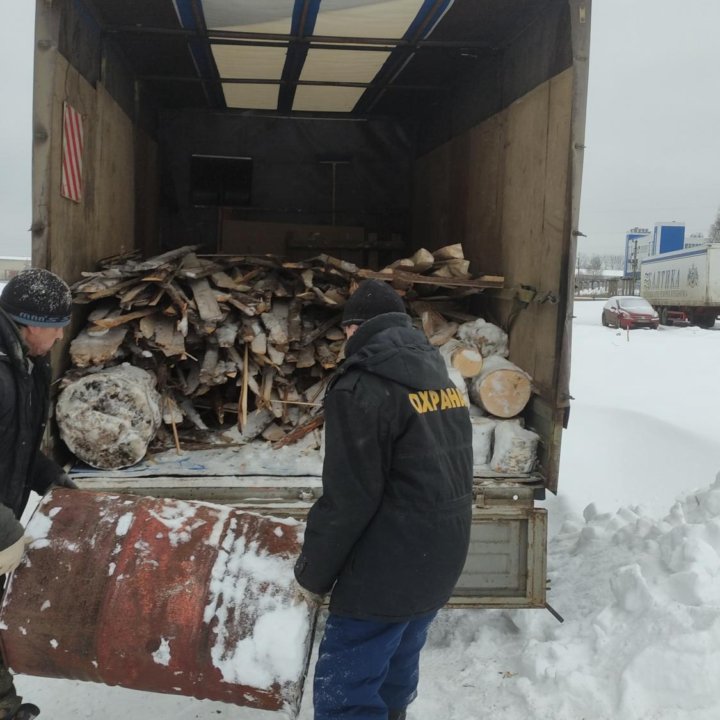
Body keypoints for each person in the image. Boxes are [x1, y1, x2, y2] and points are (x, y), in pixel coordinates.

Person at [294, 279, 474, 720]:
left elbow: (348, 499)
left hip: (385, 567)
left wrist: (311, 576)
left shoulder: (362, 386)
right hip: (439, 556)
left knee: (347, 690)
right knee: (395, 670)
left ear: (355, 329)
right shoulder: (438, 375)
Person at [0, 268, 78, 720]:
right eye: (56, 325)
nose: (62, 334)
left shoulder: (28, 365)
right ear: (30, 324)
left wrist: (50, 478)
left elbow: (18, 442)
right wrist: (3, 526)